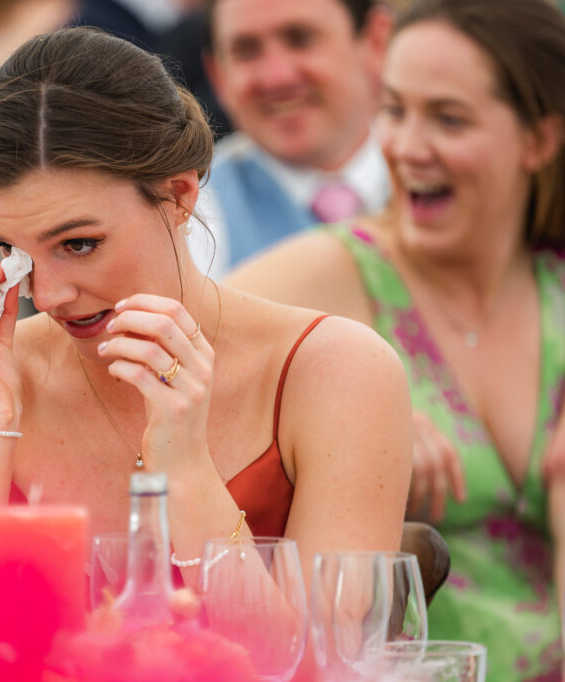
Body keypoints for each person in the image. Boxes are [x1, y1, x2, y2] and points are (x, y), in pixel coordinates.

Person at [0, 27, 412, 596]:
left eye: (79, 243)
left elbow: (313, 663)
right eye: (8, 251)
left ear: (181, 196)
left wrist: (185, 468)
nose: (49, 294)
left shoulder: (336, 372)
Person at [226, 0, 565, 676]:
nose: (406, 147)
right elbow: (155, 382)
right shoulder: (320, 272)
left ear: (539, 141)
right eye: (393, 109)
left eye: (448, 118)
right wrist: (350, 421)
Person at [197, 0, 391, 274]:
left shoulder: (454, 177)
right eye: (246, 51)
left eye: (301, 39)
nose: (277, 78)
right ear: (218, 76)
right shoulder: (192, 214)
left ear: (375, 40)